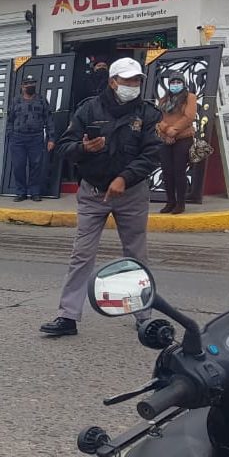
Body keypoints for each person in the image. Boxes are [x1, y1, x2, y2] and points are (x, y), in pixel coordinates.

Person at [41, 58, 162, 337]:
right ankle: (68, 316)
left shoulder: (147, 113)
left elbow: (152, 154)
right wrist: (84, 148)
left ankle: (143, 316)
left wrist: (125, 178)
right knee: (81, 254)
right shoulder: (89, 109)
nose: (133, 85)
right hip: (93, 192)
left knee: (135, 255)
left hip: (131, 193)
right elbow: (64, 147)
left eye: (137, 80)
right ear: (112, 81)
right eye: (127, 80)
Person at [5, 74, 56, 202]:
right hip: (18, 138)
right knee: (18, 165)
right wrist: (10, 135)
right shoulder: (15, 101)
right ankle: (21, 192)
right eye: (27, 84)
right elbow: (10, 120)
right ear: (22, 86)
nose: (30, 86)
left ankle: (35, 192)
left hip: (36, 137)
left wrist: (51, 138)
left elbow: (49, 119)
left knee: (36, 165)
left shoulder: (42, 100)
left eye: (32, 83)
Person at [156, 73, 198, 215]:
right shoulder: (163, 99)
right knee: (167, 172)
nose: (175, 84)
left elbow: (189, 116)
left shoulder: (190, 97)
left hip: (183, 138)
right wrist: (167, 131)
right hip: (166, 139)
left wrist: (175, 130)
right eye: (172, 82)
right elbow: (158, 118)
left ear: (183, 83)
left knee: (179, 171)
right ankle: (170, 201)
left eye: (178, 82)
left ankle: (180, 203)